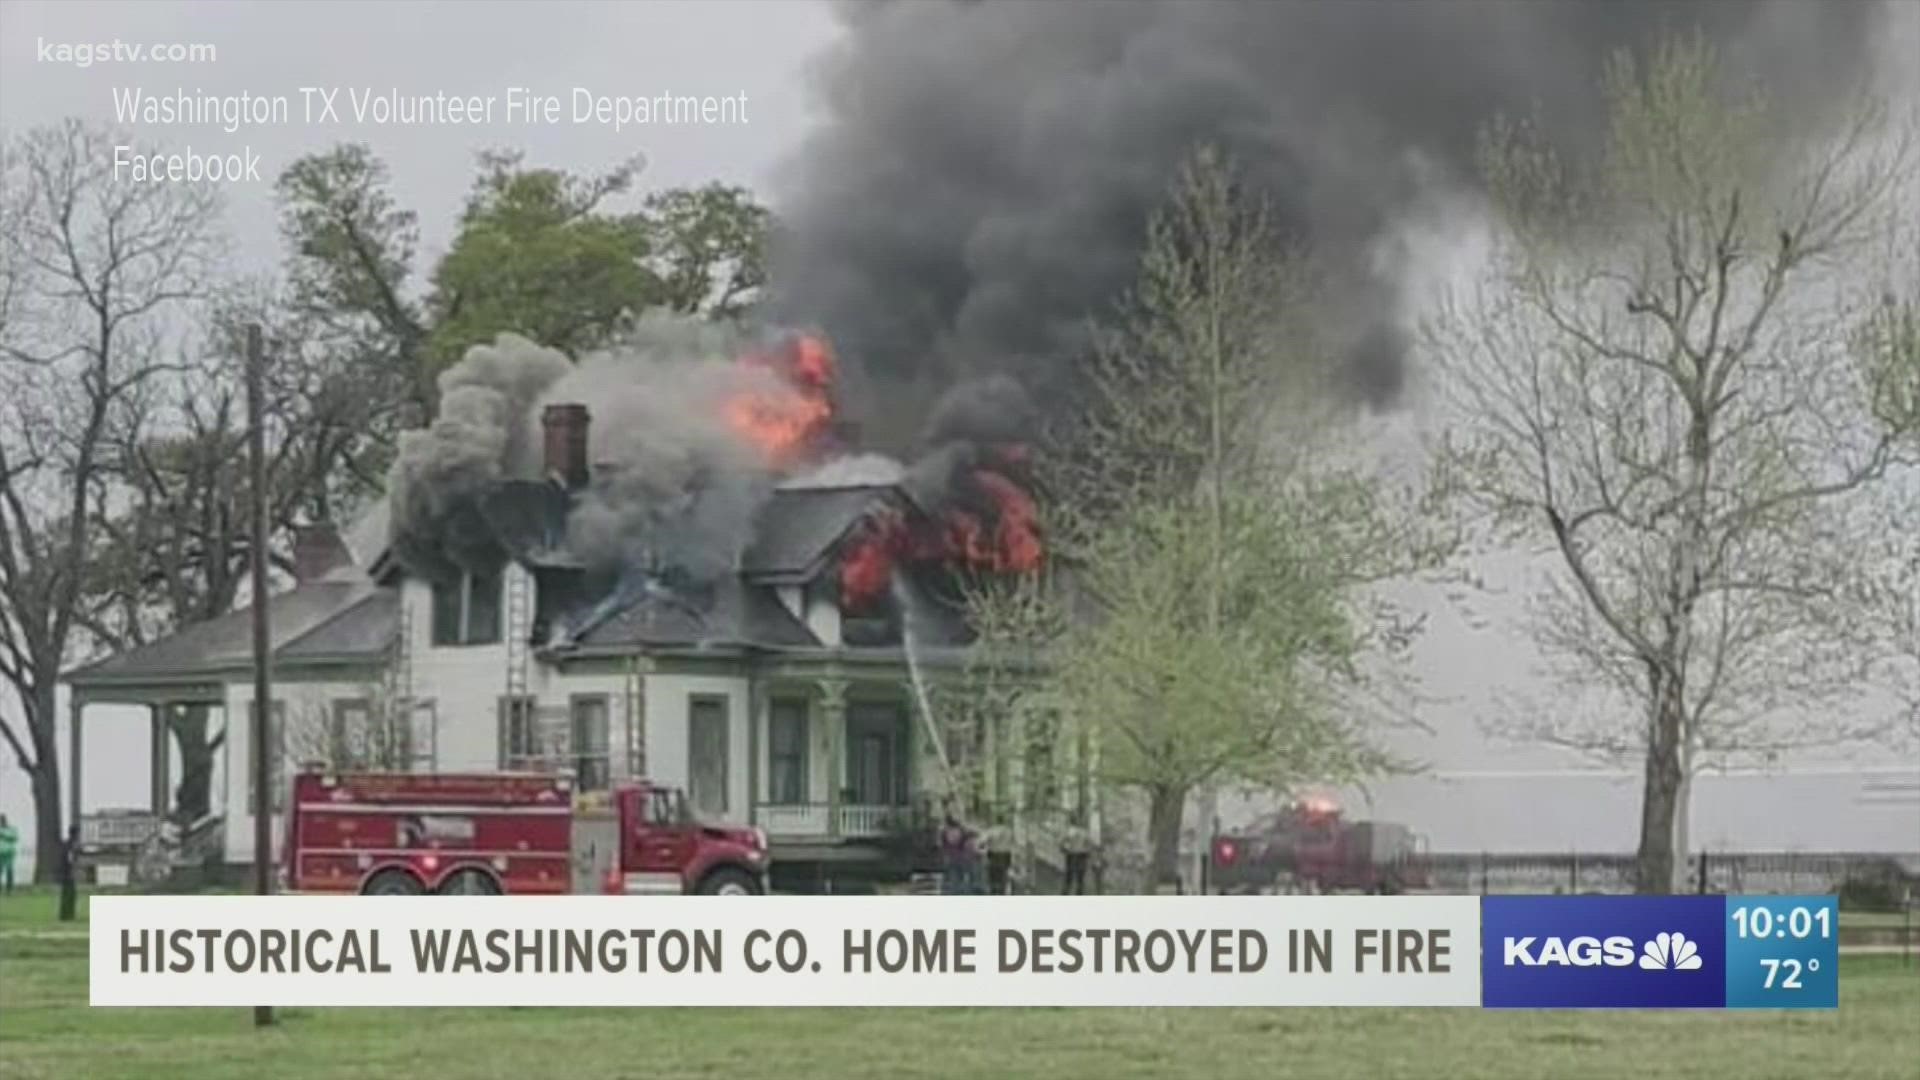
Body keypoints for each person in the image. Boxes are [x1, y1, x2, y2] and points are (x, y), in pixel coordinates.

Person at [938, 811, 979, 896]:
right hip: (962, 857)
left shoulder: (944, 832)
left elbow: (941, 845)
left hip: (951, 857)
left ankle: (954, 892)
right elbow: (973, 834)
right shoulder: (962, 830)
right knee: (962, 877)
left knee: (953, 879)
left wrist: (945, 853)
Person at [1060, 812, 1093, 896]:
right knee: (1075, 876)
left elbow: (1062, 843)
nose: (1078, 821)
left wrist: (1064, 848)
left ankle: (1072, 893)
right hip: (1077, 855)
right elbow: (1062, 843)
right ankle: (1070, 893)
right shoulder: (1079, 831)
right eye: (1077, 819)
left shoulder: (1072, 831)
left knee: (1074, 876)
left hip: (1076, 855)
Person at [983, 817, 1013, 896]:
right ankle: (1002, 891)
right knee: (1004, 874)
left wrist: (986, 845)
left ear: (995, 821)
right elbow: (1013, 843)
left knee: (992, 875)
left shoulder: (991, 830)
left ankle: (993, 891)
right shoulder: (1009, 830)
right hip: (1006, 855)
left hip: (994, 855)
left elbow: (983, 841)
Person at [0, 814, 17, 894]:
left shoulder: (11, 829)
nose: (2, 821)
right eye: (1, 820)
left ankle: (9, 889)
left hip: (9, 853)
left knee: (9, 870)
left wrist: (4, 835)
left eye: (3, 820)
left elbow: (14, 838)